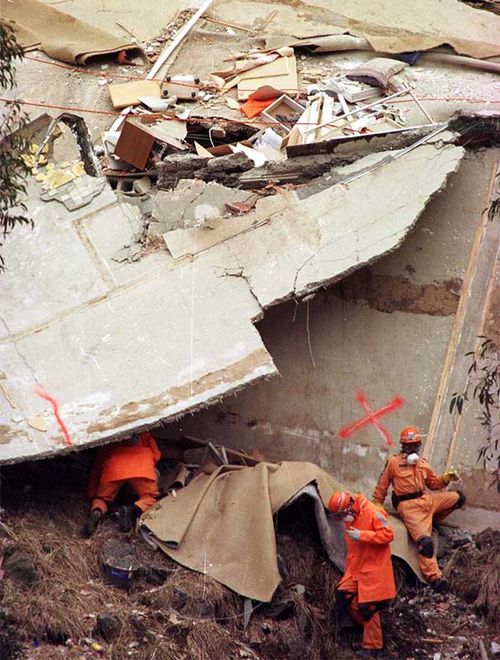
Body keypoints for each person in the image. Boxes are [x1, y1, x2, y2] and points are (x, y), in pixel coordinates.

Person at [372, 426, 465, 592]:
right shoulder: (393, 463)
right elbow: (382, 487)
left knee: (458, 498)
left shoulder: (422, 463)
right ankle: (434, 577)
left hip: (426, 500)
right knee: (426, 543)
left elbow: (433, 484)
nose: (412, 449)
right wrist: (377, 505)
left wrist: (445, 478)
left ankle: (432, 520)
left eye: (415, 445)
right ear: (403, 446)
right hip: (409, 507)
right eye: (409, 446)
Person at [329, 490, 396, 658]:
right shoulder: (350, 518)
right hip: (357, 567)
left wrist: (362, 535)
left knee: (368, 608)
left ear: (350, 506)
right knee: (343, 594)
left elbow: (388, 535)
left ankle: (372, 647)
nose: (342, 519)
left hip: (375, 569)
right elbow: (354, 549)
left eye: (342, 514)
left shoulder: (375, 512)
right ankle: (363, 628)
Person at [83, 431, 161, 538]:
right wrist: (149, 467)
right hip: (141, 466)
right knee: (151, 498)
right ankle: (130, 509)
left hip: (114, 466)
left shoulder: (112, 432)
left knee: (103, 499)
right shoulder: (143, 430)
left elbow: (99, 464)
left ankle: (97, 512)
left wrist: (93, 493)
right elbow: (156, 455)